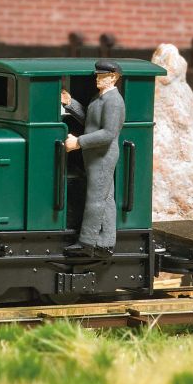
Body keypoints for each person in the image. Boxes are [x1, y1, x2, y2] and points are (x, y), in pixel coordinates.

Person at [61, 60, 125, 258]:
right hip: (94, 155)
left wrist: (78, 142)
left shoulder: (114, 101)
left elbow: (108, 134)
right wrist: (70, 103)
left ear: (113, 77)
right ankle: (106, 243)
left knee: (95, 198)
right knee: (106, 198)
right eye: (97, 75)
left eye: (102, 76)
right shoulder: (99, 97)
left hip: (103, 156)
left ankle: (87, 242)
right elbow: (90, 120)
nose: (98, 78)